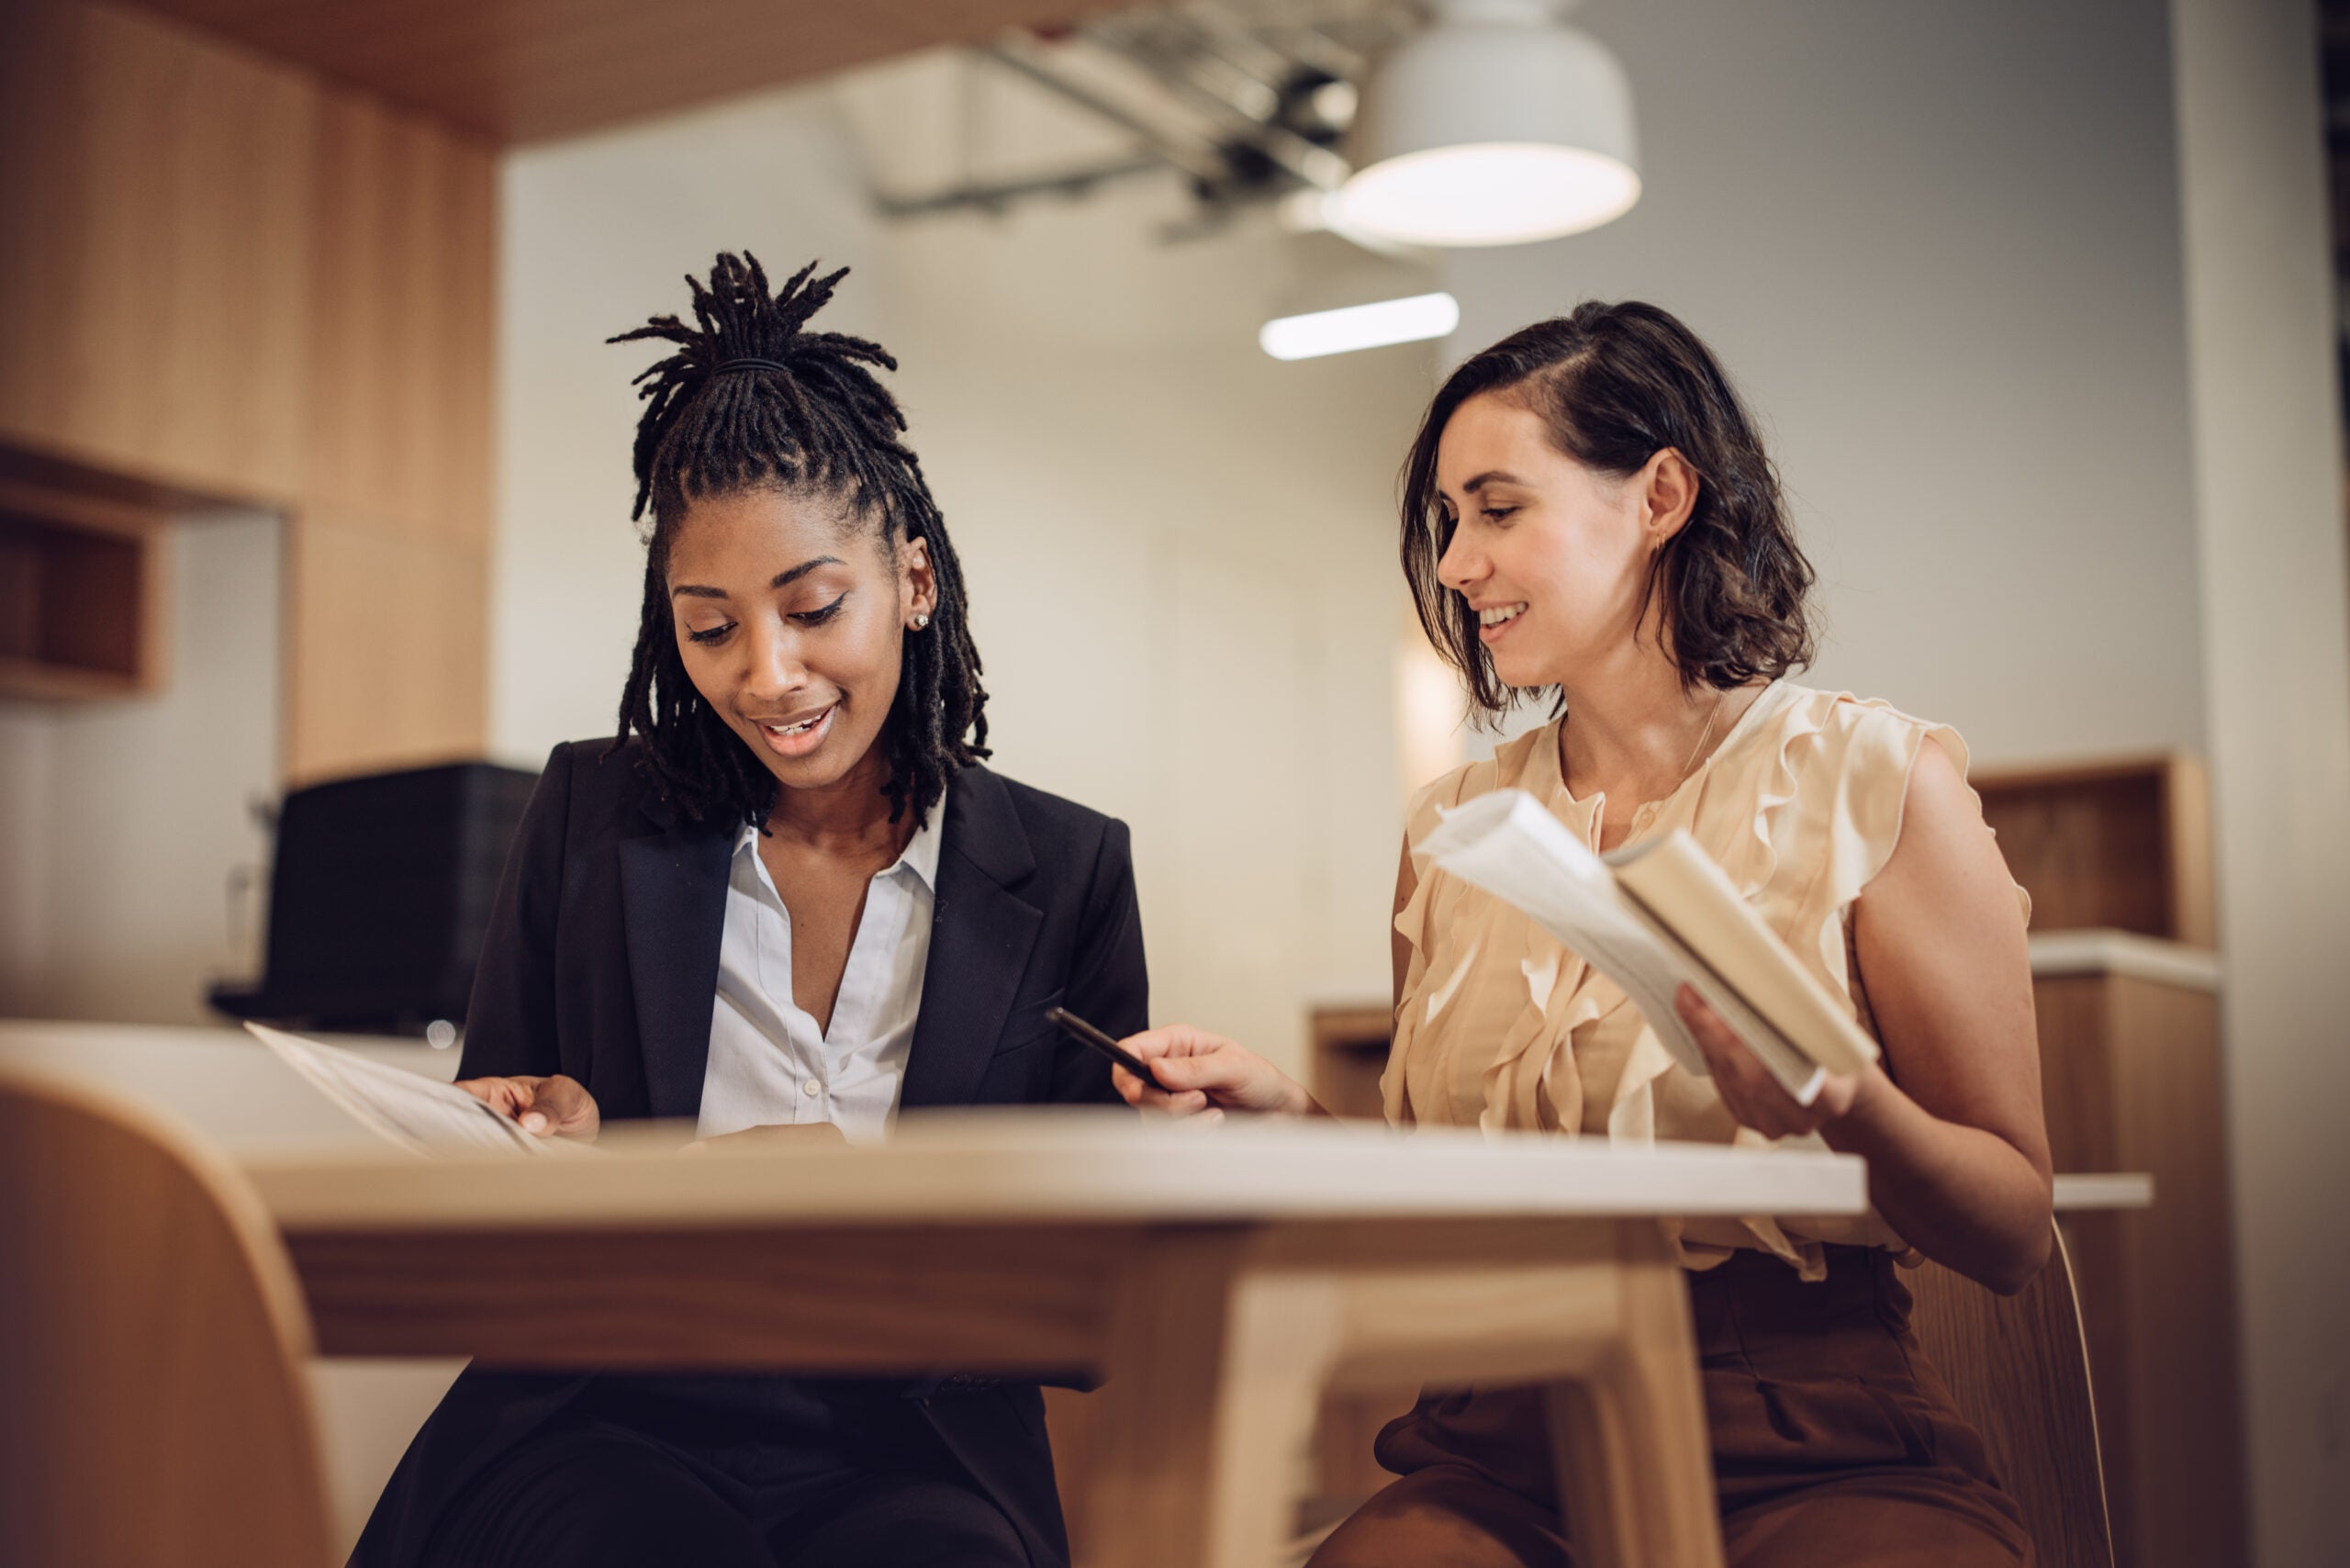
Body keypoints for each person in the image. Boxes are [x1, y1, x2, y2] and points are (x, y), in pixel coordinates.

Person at [1113, 303, 2051, 1566]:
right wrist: (1288, 1120)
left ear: (1660, 495)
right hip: (1499, 1440)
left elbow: (2009, 1229)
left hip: (1806, 1427)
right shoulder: (1457, 821)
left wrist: (1839, 1104)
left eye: (1498, 510)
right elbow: (1439, 1209)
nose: (1454, 563)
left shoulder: (1875, 780)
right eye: (1450, 522)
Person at [352, 254, 1147, 1568]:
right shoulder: (591, 818)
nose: (767, 676)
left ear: (915, 582)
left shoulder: (1067, 870)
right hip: (603, 1416)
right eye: (709, 628)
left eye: (814, 607)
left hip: (918, 1439)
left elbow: (1093, 1313)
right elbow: (492, 1189)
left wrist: (882, 1235)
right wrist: (558, 1148)